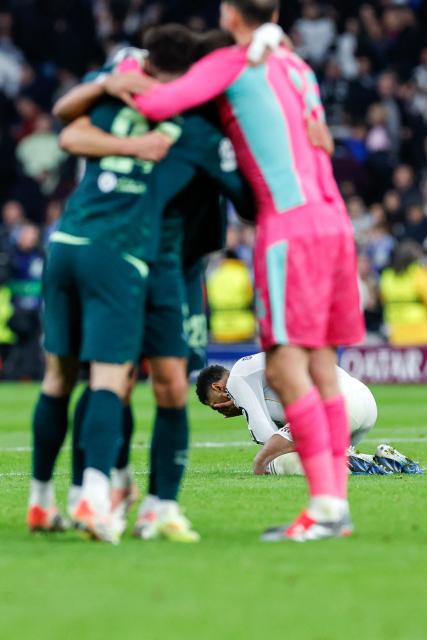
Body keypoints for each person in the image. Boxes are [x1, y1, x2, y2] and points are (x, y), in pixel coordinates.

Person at [120, 0, 365, 541]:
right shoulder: (294, 65)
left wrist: (120, 72)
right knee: (322, 364)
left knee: (283, 365)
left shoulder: (235, 61)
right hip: (334, 220)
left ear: (231, 14)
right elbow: (317, 134)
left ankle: (325, 507)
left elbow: (160, 101)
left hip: (291, 226)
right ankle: (332, 507)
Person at [38, 26, 254, 543]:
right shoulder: (134, 91)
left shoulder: (209, 124)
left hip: (178, 267)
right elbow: (69, 126)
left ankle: (160, 506)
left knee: (173, 383)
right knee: (110, 376)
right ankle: (93, 490)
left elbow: (244, 196)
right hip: (126, 254)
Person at [196, 353, 379, 475]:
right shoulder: (261, 379)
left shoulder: (237, 378)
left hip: (335, 404)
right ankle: (383, 461)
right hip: (363, 401)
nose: (221, 411)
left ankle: (348, 466)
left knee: (265, 462)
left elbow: (266, 437)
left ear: (218, 387)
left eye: (215, 406)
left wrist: (263, 461)